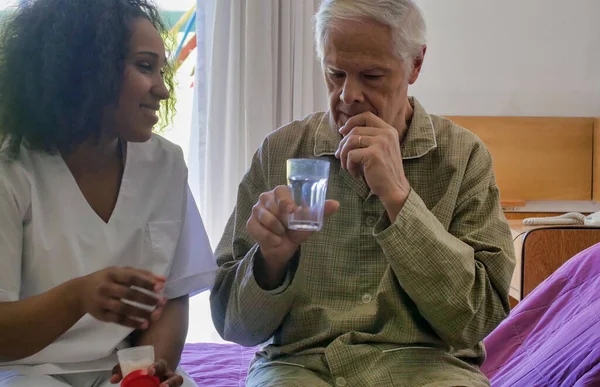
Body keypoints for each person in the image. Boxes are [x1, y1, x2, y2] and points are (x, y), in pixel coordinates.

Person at [210, 0, 516, 386]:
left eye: (372, 76)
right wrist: (269, 264)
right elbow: (232, 325)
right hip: (299, 366)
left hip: (428, 368)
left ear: (416, 64)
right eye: (335, 73)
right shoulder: (280, 153)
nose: (347, 95)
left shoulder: (464, 158)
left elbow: (478, 320)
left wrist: (400, 199)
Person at [0, 0, 216, 386]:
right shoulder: (10, 167)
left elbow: (173, 295)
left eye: (161, 70)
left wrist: (150, 370)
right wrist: (77, 297)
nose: (163, 90)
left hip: (121, 373)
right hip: (23, 373)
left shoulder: (166, 163)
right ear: (87, 70)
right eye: (145, 66)